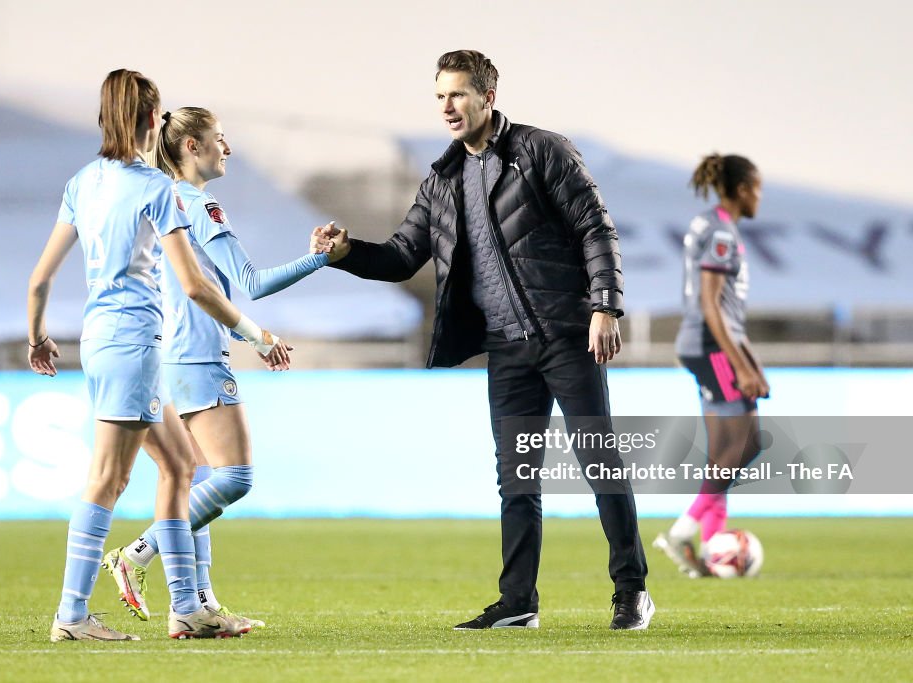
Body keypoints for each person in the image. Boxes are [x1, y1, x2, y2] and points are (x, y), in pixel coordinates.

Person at [311, 50, 653, 630]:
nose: (447, 106)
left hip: (566, 336)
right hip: (506, 349)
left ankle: (631, 591)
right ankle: (518, 602)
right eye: (440, 95)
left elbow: (596, 227)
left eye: (458, 94)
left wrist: (605, 307)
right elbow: (400, 257)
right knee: (517, 479)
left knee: (599, 463)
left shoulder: (543, 150)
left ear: (488, 97)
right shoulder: (442, 179)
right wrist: (345, 254)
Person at [28, 70, 290, 641]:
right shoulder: (155, 187)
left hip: (94, 341)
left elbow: (39, 280)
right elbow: (196, 286)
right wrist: (259, 335)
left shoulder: (83, 181)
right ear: (153, 119)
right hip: (134, 343)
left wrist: (37, 336)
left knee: (179, 466)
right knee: (107, 479)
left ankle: (187, 607)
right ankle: (72, 614)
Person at [99, 106, 344, 627]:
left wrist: (246, 336)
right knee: (235, 477)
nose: (226, 148)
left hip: (166, 356)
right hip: (197, 358)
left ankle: (194, 607)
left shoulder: (158, 203)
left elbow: (206, 292)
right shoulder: (199, 206)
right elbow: (251, 283)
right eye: (219, 139)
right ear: (192, 147)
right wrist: (319, 258)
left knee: (198, 479)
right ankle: (137, 553)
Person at [654, 153, 768, 577]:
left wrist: (751, 361)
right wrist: (739, 365)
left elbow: (727, 308)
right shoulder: (722, 232)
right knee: (748, 445)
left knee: (723, 454)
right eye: (757, 189)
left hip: (709, 345)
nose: (760, 198)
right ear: (741, 189)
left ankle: (707, 550)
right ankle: (682, 532)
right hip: (712, 347)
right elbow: (710, 302)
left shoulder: (710, 223)